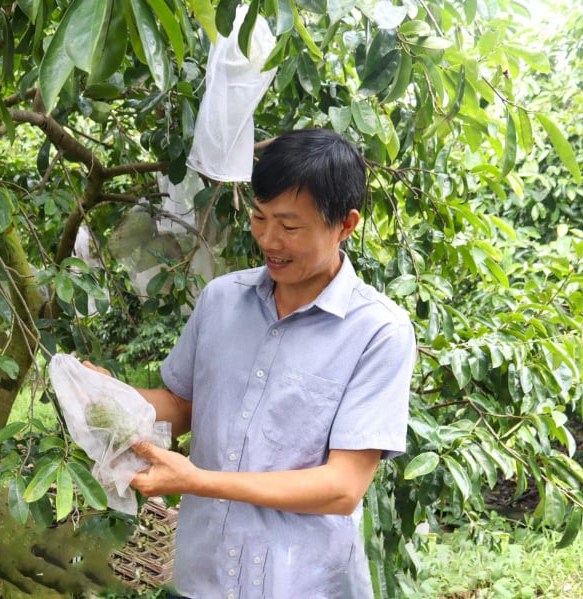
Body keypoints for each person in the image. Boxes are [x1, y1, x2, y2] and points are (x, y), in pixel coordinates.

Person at [89, 129, 416, 598]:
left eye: (290, 226)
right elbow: (184, 403)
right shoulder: (222, 300)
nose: (268, 239)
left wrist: (199, 481)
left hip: (302, 582)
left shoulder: (379, 331)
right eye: (259, 217)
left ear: (345, 225)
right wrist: (113, 396)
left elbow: (343, 487)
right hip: (206, 575)